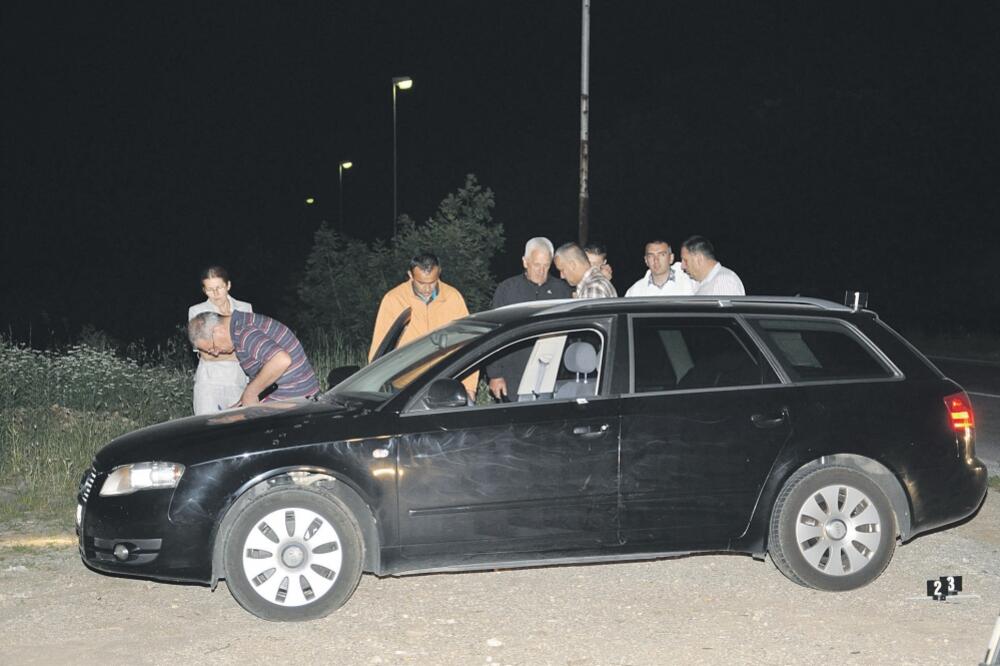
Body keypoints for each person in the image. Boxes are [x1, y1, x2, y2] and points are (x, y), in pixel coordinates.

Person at [369, 252, 476, 398]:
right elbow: (380, 345)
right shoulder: (394, 299)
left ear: (439, 273)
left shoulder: (452, 297)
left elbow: (467, 342)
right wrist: (372, 386)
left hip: (444, 380)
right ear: (410, 275)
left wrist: (470, 387)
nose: (427, 289)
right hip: (405, 383)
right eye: (421, 283)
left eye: (432, 282)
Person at [486, 237, 572, 400]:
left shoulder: (562, 291)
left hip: (550, 376)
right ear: (525, 262)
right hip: (513, 376)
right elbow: (494, 332)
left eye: (546, 265)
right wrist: (495, 374)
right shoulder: (507, 290)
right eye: (537, 265)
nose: (541, 271)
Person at [187, 310, 319, 407]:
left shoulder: (244, 332)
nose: (215, 353)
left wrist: (250, 393)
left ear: (218, 331)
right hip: (286, 392)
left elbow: (281, 360)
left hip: (297, 397)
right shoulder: (239, 326)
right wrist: (242, 402)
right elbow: (263, 375)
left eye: (213, 347)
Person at [187, 266, 253, 415]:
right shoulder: (196, 311)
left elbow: (249, 346)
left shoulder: (245, 308)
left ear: (228, 285)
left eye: (219, 288)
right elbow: (206, 354)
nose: (216, 294)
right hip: (209, 383)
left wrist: (225, 352)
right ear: (204, 290)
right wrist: (238, 354)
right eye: (210, 289)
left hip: (239, 380)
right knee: (208, 429)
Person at [624, 240, 696, 297]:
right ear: (646, 260)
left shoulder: (690, 283)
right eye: (651, 255)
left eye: (662, 255)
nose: (656, 260)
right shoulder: (635, 291)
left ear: (671, 258)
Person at [680, 235, 746, 296]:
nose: (682, 266)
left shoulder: (723, 280)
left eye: (685, 260)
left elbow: (727, 309)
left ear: (699, 259)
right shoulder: (702, 284)